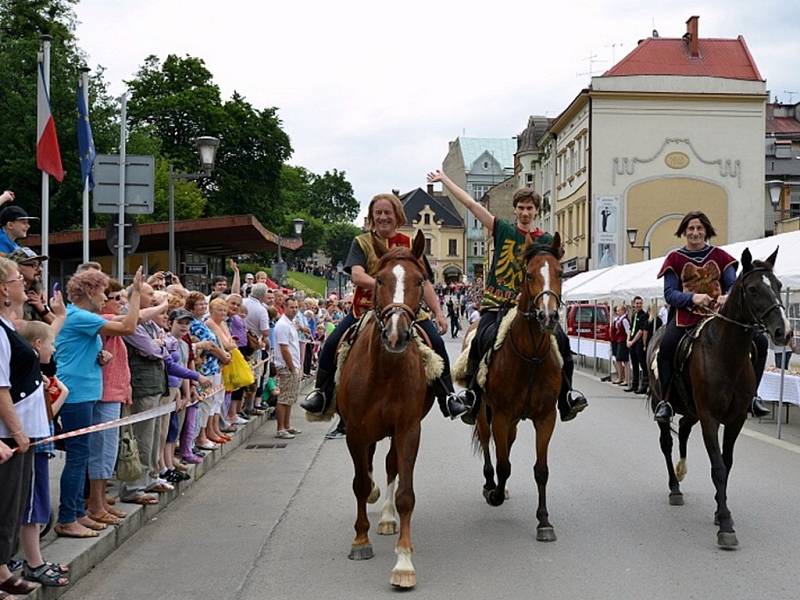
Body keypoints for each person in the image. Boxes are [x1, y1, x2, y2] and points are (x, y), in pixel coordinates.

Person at [428, 170, 588, 422]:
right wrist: (446, 179)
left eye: (530, 208)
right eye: (521, 208)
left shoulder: (545, 240)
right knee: (482, 337)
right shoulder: (501, 229)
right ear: (515, 210)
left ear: (536, 211)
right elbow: (470, 203)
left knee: (561, 340)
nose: (525, 213)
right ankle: (473, 394)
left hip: (531, 308)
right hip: (497, 303)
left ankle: (566, 396)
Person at [301, 192, 469, 420]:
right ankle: (321, 393)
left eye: (387, 212)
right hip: (366, 309)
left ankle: (448, 396)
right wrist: (387, 286)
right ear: (371, 216)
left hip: (409, 311)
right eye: (377, 213)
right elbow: (358, 276)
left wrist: (439, 312)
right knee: (331, 343)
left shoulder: (410, 244)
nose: (382, 217)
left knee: (437, 343)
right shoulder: (361, 242)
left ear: (397, 215)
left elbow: (426, 281)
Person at [654, 211, 770, 423]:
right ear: (684, 232)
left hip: (720, 317)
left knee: (760, 342)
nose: (695, 232)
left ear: (706, 231)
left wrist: (727, 296)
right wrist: (692, 298)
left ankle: (753, 395)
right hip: (686, 318)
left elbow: (733, 284)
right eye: (691, 229)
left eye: (699, 228)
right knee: (666, 349)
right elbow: (669, 293)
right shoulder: (675, 258)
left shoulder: (720, 256)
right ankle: (666, 401)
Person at [55, 267, 144, 536]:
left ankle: (79, 513)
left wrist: (100, 357)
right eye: (103, 291)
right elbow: (128, 326)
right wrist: (136, 292)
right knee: (78, 457)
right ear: (91, 291)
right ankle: (68, 517)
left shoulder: (80, 317)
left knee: (83, 457)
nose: (105, 296)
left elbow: (81, 352)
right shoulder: (80, 316)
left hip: (86, 393)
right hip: (77, 394)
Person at [0, 257, 58, 596]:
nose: (24, 282)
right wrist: (18, 432)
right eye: (16, 278)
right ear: (4, 288)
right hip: (10, 432)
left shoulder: (9, 324)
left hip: (22, 430)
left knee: (15, 504)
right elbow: (1, 388)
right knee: (6, 505)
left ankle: (3, 566)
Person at [17, 321, 70, 588]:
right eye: (50, 344)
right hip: (33, 444)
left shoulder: (40, 374)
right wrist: (64, 393)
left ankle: (34, 557)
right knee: (32, 506)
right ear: (37, 345)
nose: (54, 348)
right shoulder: (28, 375)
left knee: (38, 503)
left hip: (40, 443)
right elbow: (44, 412)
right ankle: (33, 562)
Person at [274, 298, 303, 439]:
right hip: (286, 366)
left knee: (290, 398)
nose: (294, 309)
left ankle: (287, 425)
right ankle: (280, 428)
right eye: (291, 307)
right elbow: (284, 348)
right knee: (284, 398)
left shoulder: (291, 324)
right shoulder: (283, 325)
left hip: (294, 365)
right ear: (284, 307)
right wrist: (291, 366)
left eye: (296, 307)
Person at [6, 247, 53, 324]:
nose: (40, 269)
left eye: (40, 265)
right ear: (16, 267)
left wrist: (42, 309)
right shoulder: (7, 295)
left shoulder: (37, 293)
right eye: (34, 265)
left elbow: (60, 329)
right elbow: (16, 327)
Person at [626, 296, 648, 394]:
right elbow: (631, 329)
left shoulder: (644, 315)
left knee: (642, 364)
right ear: (634, 304)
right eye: (637, 303)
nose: (638, 305)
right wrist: (628, 340)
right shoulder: (634, 315)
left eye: (640, 303)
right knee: (634, 364)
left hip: (638, 342)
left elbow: (641, 331)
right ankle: (634, 385)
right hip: (632, 342)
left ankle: (644, 385)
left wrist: (632, 341)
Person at [610, 305, 630, 385]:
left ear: (623, 311)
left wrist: (628, 340)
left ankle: (626, 379)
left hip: (623, 341)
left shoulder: (624, 320)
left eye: (619, 311)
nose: (617, 312)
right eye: (617, 311)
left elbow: (628, 331)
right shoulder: (617, 320)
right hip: (617, 340)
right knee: (618, 359)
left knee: (625, 360)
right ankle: (620, 377)